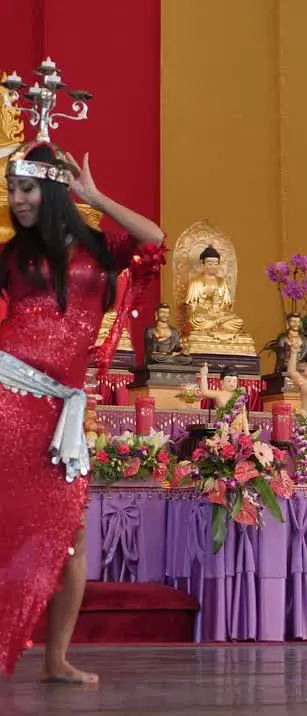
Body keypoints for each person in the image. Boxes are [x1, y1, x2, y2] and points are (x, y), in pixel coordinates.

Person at [0, 142, 165, 682]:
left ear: (50, 190)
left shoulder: (99, 248)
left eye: (25, 189)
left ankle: (56, 660)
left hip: (60, 413)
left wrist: (95, 196)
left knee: (70, 537)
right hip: (8, 401)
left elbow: (155, 238)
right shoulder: (12, 258)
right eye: (11, 191)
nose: (17, 201)